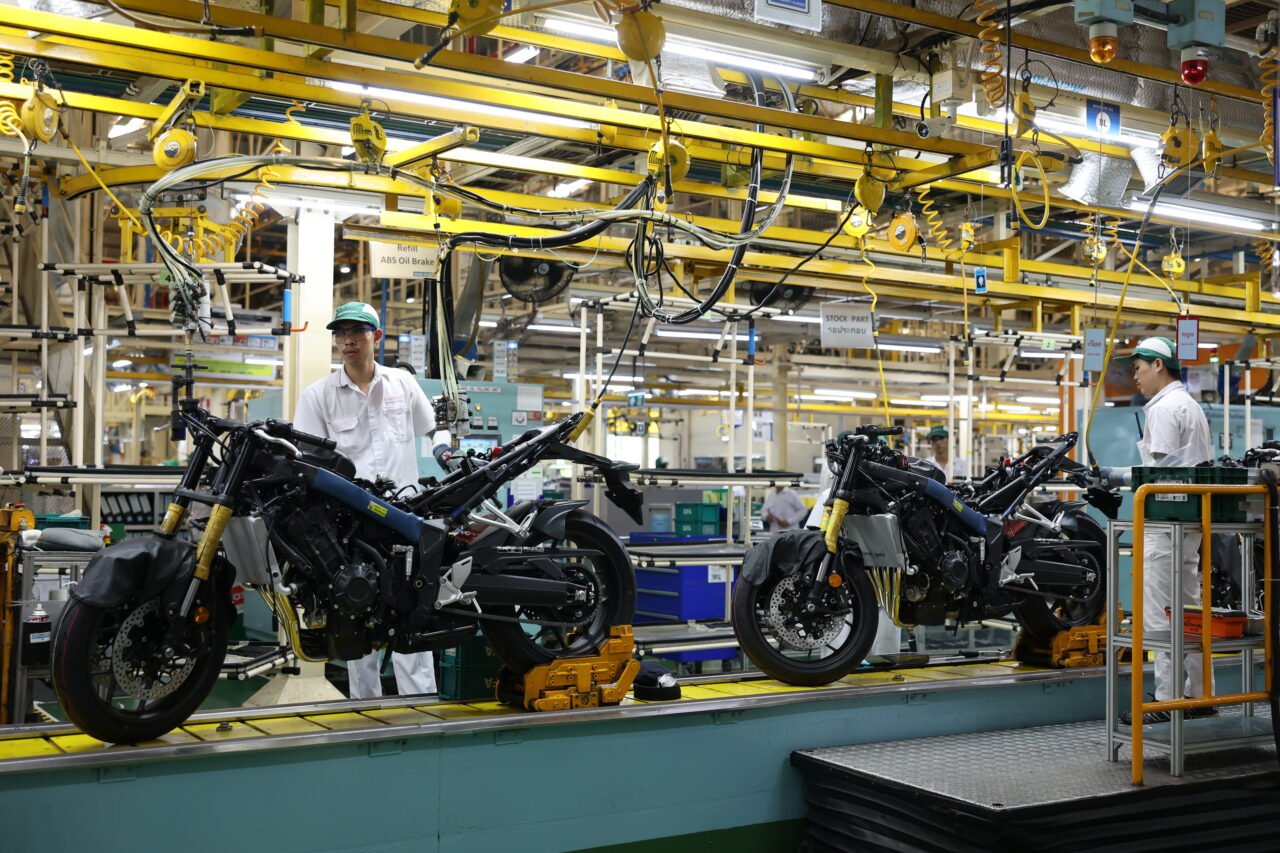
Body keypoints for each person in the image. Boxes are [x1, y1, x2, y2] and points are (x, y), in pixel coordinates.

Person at [294, 301, 440, 700]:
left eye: (357, 332)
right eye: (341, 333)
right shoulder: (318, 396)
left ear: (376, 336)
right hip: (351, 525)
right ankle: (365, 711)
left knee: (412, 613)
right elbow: (307, 462)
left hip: (405, 518)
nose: (348, 340)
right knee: (357, 617)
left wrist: (446, 450)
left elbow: (432, 430)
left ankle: (420, 710)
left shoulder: (402, 384)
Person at [1117, 336, 1215, 723]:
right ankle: (1201, 696)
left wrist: (1115, 477)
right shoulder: (1190, 406)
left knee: (1160, 616)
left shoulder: (1162, 409)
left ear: (1158, 365)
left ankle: (1166, 702)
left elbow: (1161, 476)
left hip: (1164, 525)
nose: (1134, 377)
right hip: (1190, 523)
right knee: (1190, 613)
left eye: (1138, 368)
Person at [806, 431, 901, 657]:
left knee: (878, 662)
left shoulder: (894, 497)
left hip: (882, 596)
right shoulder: (832, 495)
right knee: (841, 660)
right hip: (845, 596)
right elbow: (815, 539)